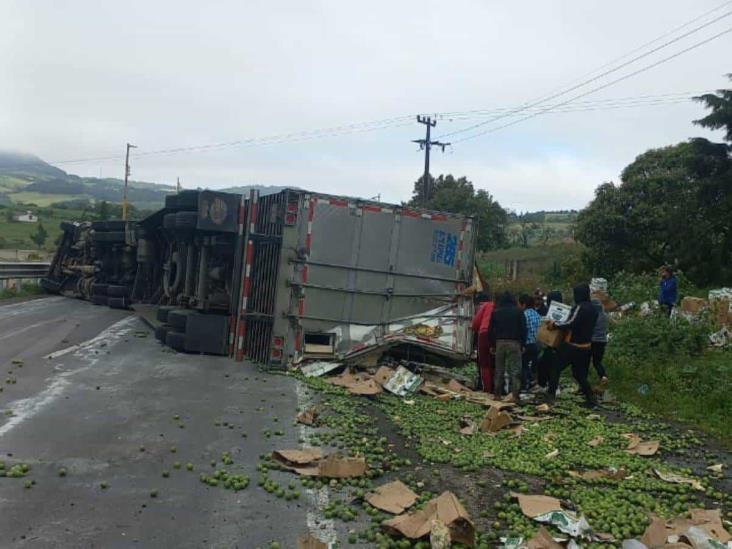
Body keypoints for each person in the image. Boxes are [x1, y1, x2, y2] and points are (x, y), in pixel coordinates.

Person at [546, 283, 599, 408]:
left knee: (555, 368)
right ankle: (591, 399)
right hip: (586, 346)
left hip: (572, 346)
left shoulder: (580, 307)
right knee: (579, 374)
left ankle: (550, 397)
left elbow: (571, 322)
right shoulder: (593, 309)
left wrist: (555, 325)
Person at [487, 292, 527, 400]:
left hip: (500, 343)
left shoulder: (496, 312)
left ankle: (497, 395)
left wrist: (492, 344)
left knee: (499, 370)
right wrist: (523, 344)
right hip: (514, 343)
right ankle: (515, 396)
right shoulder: (519, 312)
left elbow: (490, 330)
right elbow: (524, 329)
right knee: (515, 370)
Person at [534, 290, 563, 390]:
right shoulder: (562, 310)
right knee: (547, 364)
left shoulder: (556, 311)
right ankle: (548, 385)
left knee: (546, 364)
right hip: (556, 344)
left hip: (554, 344)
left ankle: (549, 386)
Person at [471, 292, 495, 393]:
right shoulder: (496, 305)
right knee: (494, 363)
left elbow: (475, 324)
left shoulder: (484, 306)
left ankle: (486, 389)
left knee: (484, 364)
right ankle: (496, 387)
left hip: (484, 334)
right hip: (496, 336)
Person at [519, 294, 541, 391]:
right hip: (536, 344)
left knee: (523, 364)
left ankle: (526, 385)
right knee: (533, 365)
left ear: (523, 304)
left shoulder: (523, 315)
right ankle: (533, 382)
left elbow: (522, 330)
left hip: (526, 344)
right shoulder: (537, 315)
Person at [590, 297, 609, 381]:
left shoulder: (593, 316)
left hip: (593, 341)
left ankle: (585, 379)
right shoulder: (604, 315)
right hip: (602, 341)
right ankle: (603, 376)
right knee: (597, 362)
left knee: (585, 362)